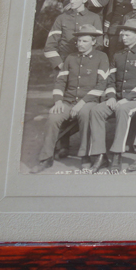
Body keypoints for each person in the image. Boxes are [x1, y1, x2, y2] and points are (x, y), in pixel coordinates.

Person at [31, 24, 109, 173]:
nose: (80, 44)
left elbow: (102, 84)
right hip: (67, 101)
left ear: (93, 42)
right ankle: (46, 158)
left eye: (85, 41)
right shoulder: (70, 58)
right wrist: (58, 101)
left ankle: (85, 156)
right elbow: (60, 81)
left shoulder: (101, 57)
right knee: (53, 117)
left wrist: (81, 103)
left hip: (88, 101)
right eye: (79, 41)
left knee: (86, 115)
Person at [100, 18, 136, 172]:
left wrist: (127, 99)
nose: (123, 38)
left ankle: (117, 154)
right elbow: (110, 79)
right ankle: (99, 154)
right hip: (117, 98)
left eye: (127, 35)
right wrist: (111, 96)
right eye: (122, 35)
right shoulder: (117, 54)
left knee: (122, 109)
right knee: (96, 111)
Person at [42, 0, 102, 72]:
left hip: (86, 67)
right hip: (64, 64)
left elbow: (98, 44)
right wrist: (60, 65)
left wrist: (87, 63)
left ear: (84, 0)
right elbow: (49, 46)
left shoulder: (94, 18)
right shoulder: (62, 18)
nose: (72, 1)